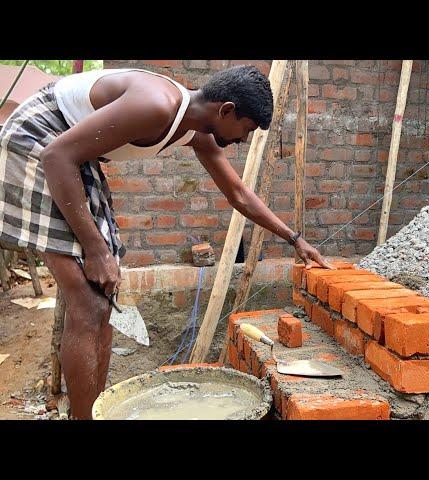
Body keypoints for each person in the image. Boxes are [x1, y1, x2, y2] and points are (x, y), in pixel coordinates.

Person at [0, 65, 333, 419]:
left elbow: (238, 193)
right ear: (227, 110)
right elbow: (56, 156)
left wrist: (294, 239)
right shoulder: (156, 104)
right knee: (86, 302)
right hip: (37, 144)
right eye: (246, 129)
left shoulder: (195, 130)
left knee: (102, 301)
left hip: (69, 155)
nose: (243, 141)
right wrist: (96, 250)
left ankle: (96, 411)